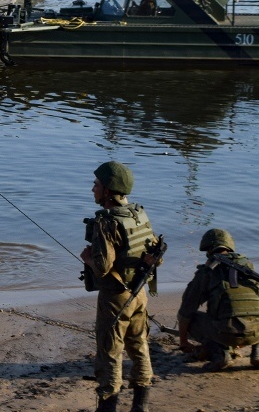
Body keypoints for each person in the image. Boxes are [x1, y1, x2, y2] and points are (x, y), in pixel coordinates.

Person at [82, 161, 158, 412]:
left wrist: (87, 258)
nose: (93, 188)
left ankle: (108, 406)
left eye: (96, 184)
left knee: (109, 352)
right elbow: (155, 252)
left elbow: (103, 266)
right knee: (139, 345)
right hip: (139, 294)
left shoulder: (106, 222)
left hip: (115, 297)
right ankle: (141, 406)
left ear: (108, 190)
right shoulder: (138, 214)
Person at [177, 228, 259, 372]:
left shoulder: (206, 272)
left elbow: (186, 311)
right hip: (256, 333)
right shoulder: (248, 267)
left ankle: (220, 356)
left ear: (208, 250)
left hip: (226, 333)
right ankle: (258, 353)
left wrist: (183, 341)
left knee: (193, 318)